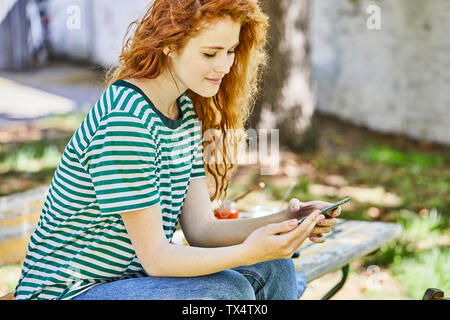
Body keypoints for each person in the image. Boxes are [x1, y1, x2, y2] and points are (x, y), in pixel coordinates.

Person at [14, 0, 341, 300]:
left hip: (127, 282)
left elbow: (201, 230)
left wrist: (287, 221)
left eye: (230, 51)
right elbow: (157, 259)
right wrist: (250, 252)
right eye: (210, 53)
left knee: (274, 267)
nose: (224, 66)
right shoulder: (127, 119)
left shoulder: (182, 112)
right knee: (225, 292)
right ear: (169, 44)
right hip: (67, 293)